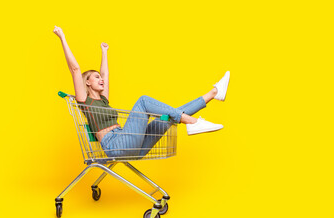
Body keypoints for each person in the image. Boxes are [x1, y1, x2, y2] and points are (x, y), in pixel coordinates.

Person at [53, 26, 230, 158]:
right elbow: (75, 69)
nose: (101, 79)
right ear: (87, 83)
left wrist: (104, 52)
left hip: (131, 142)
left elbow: (106, 74)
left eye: (100, 77)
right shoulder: (85, 101)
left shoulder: (103, 100)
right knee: (144, 101)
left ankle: (214, 93)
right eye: (96, 77)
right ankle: (193, 122)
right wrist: (62, 37)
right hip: (116, 144)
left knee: (168, 117)